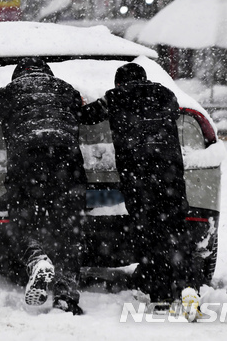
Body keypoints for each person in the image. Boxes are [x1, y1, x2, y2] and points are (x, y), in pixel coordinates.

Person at [80, 63, 201, 315]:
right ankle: (188, 285)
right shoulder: (166, 93)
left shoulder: (115, 96)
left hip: (139, 175)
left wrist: (77, 104)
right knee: (176, 228)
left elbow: (88, 116)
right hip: (170, 172)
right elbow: (173, 113)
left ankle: (161, 296)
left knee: (151, 232)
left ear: (119, 83)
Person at [0, 57, 86, 315]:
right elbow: (81, 108)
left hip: (27, 161)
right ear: (47, 72)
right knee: (69, 227)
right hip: (67, 162)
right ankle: (66, 296)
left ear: (18, 75)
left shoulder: (12, 90)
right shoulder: (64, 87)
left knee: (23, 219)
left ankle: (37, 260)